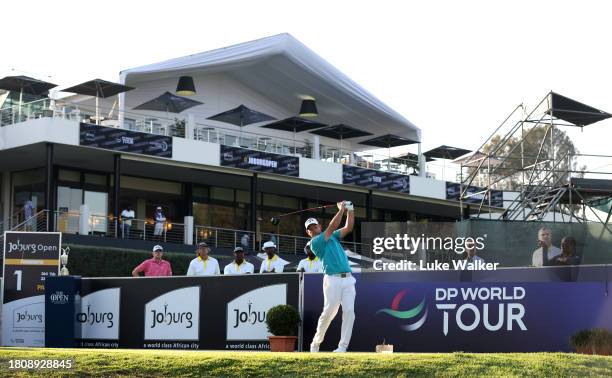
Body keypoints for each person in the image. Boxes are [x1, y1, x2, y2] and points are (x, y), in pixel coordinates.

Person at [306, 200, 355, 353]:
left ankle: (342, 347)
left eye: (315, 225)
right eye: (310, 228)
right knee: (329, 313)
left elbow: (348, 227)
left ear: (318, 226)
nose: (313, 228)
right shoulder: (315, 242)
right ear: (308, 232)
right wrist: (341, 210)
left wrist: (350, 210)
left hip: (348, 279)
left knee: (349, 312)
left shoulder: (332, 236)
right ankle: (315, 343)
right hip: (332, 280)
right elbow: (332, 226)